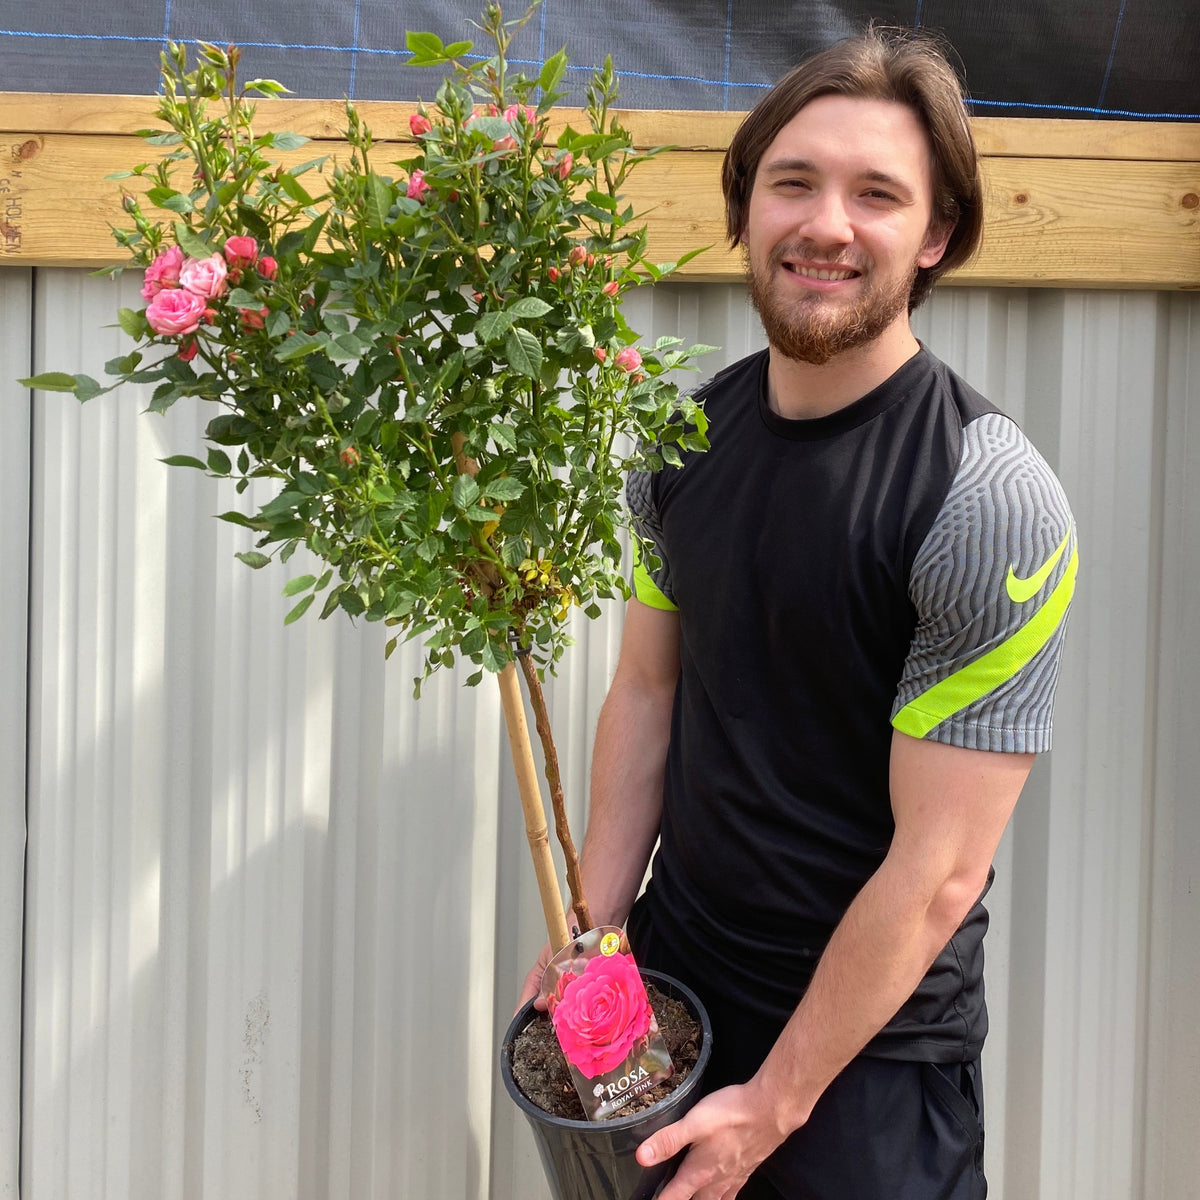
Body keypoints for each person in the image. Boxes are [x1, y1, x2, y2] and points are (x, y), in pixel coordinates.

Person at [520, 26, 1077, 1200]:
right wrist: (598, 941)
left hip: (865, 1073)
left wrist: (773, 1106)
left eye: (877, 194)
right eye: (794, 182)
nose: (827, 223)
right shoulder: (681, 442)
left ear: (934, 236)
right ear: (746, 211)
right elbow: (650, 691)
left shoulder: (988, 500)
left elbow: (938, 872)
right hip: (673, 1009)